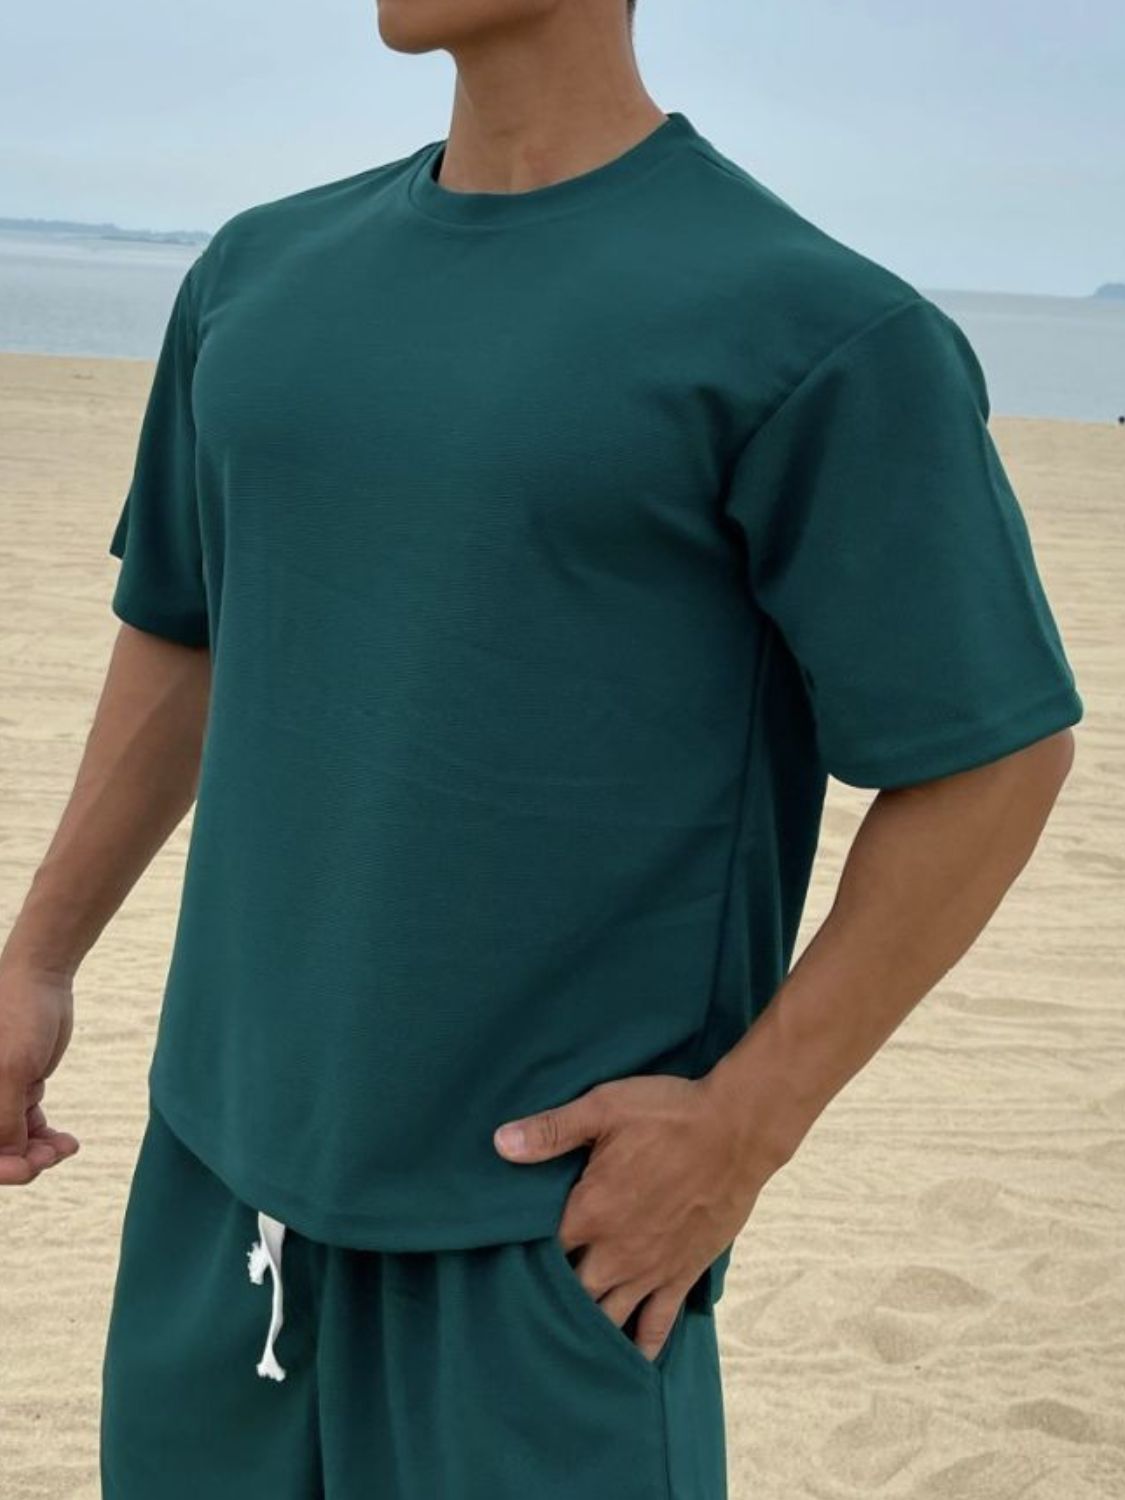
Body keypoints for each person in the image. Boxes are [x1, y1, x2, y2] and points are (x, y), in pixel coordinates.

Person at [0, 1, 1084, 1496]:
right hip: (217, 1188)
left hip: (542, 1235)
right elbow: (188, 633)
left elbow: (990, 760)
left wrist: (744, 1127)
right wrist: (37, 961)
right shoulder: (259, 274)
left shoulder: (819, 330)